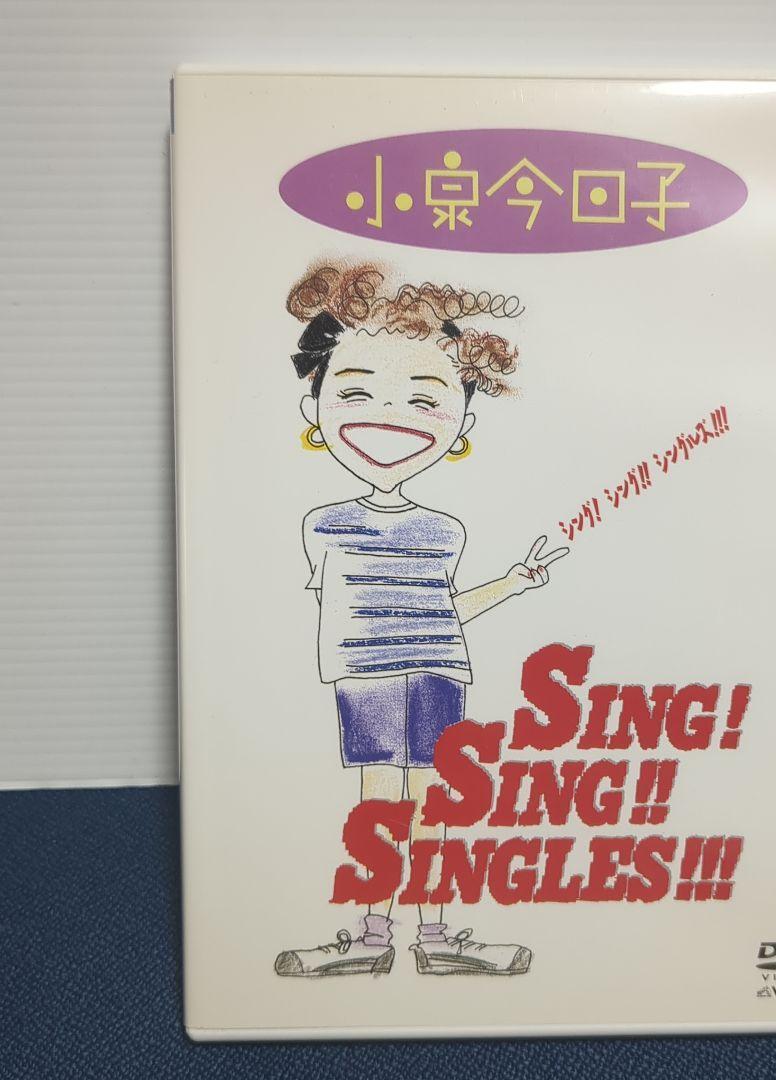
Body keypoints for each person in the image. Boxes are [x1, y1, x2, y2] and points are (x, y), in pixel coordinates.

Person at [273, 263, 567, 977]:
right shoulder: (323, 525)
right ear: (315, 408)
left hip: (438, 670)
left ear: (461, 423)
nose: (389, 416)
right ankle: (373, 938)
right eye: (355, 392)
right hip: (366, 675)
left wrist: (513, 583)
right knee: (381, 800)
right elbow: (333, 606)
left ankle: (435, 936)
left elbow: (445, 611)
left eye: (424, 399)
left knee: (435, 804)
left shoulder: (443, 530)